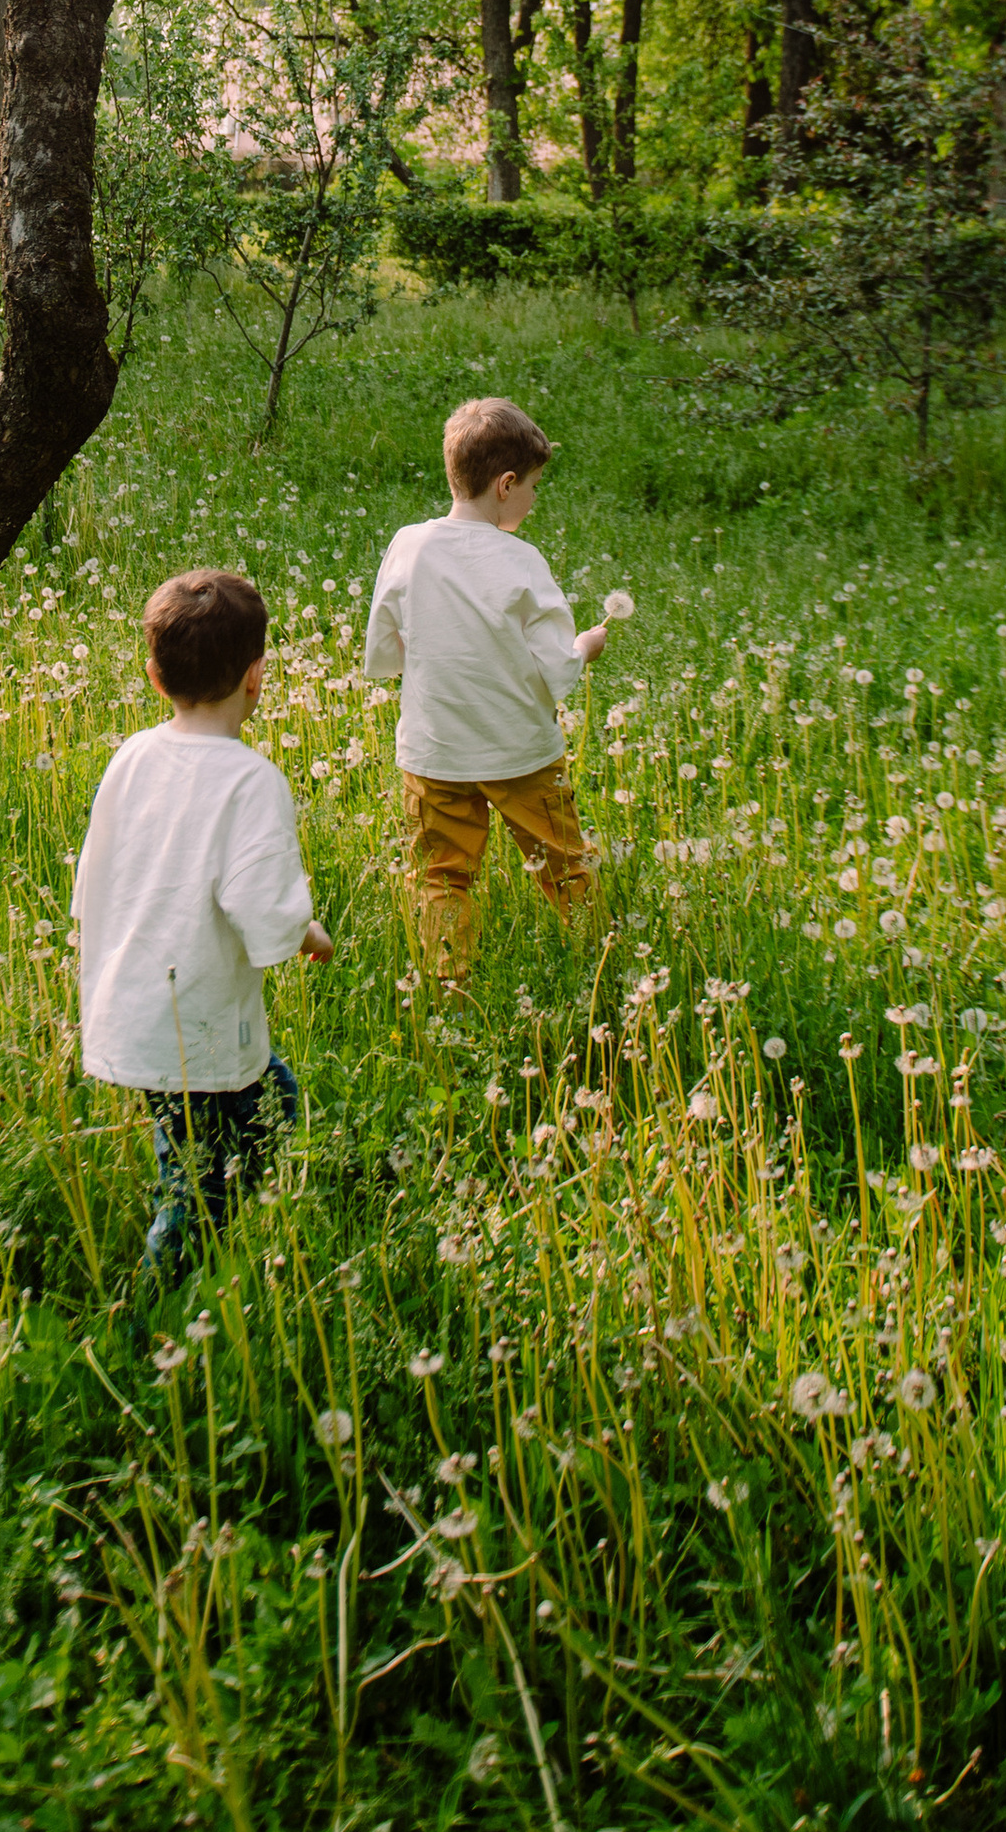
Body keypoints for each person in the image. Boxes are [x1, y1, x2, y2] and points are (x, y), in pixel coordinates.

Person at [75, 566, 334, 1284]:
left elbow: (93, 874)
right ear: (257, 678)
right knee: (202, 1174)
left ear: (154, 677)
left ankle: (219, 1239)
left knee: (251, 1109)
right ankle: (166, 1297)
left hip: (133, 1000)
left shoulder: (130, 758)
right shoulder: (251, 783)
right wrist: (305, 932)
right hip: (198, 1026)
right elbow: (262, 910)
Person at [362, 395, 611, 981]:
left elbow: (382, 651)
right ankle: (606, 974)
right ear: (505, 485)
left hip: (435, 751)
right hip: (521, 751)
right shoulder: (523, 562)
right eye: (532, 486)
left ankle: (450, 989)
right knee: (566, 866)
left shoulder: (409, 545)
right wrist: (586, 647)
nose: (532, 498)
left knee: (441, 876)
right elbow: (558, 670)